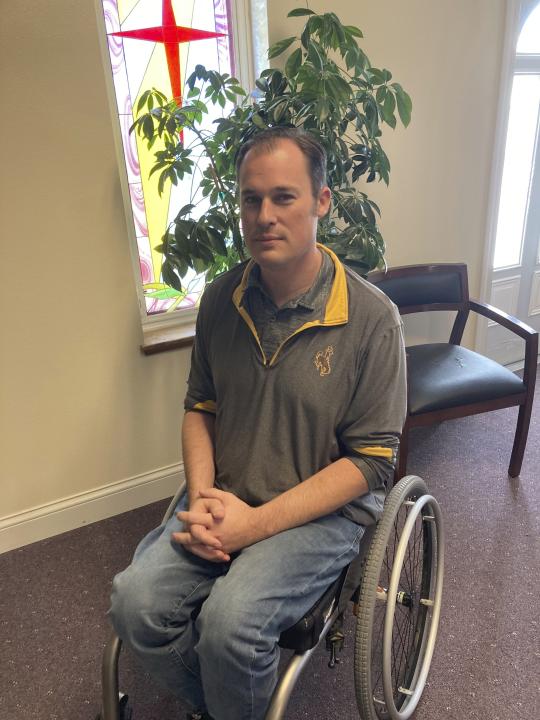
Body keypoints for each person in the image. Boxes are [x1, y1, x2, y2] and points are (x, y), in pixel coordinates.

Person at [109, 127, 407, 720]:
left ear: (322, 201)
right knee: (133, 603)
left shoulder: (373, 319)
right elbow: (201, 407)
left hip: (319, 516)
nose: (264, 215)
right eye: (251, 199)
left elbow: (372, 463)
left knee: (229, 626)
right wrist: (202, 499)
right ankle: (232, 704)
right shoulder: (222, 299)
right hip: (226, 497)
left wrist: (255, 526)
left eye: (284, 197)